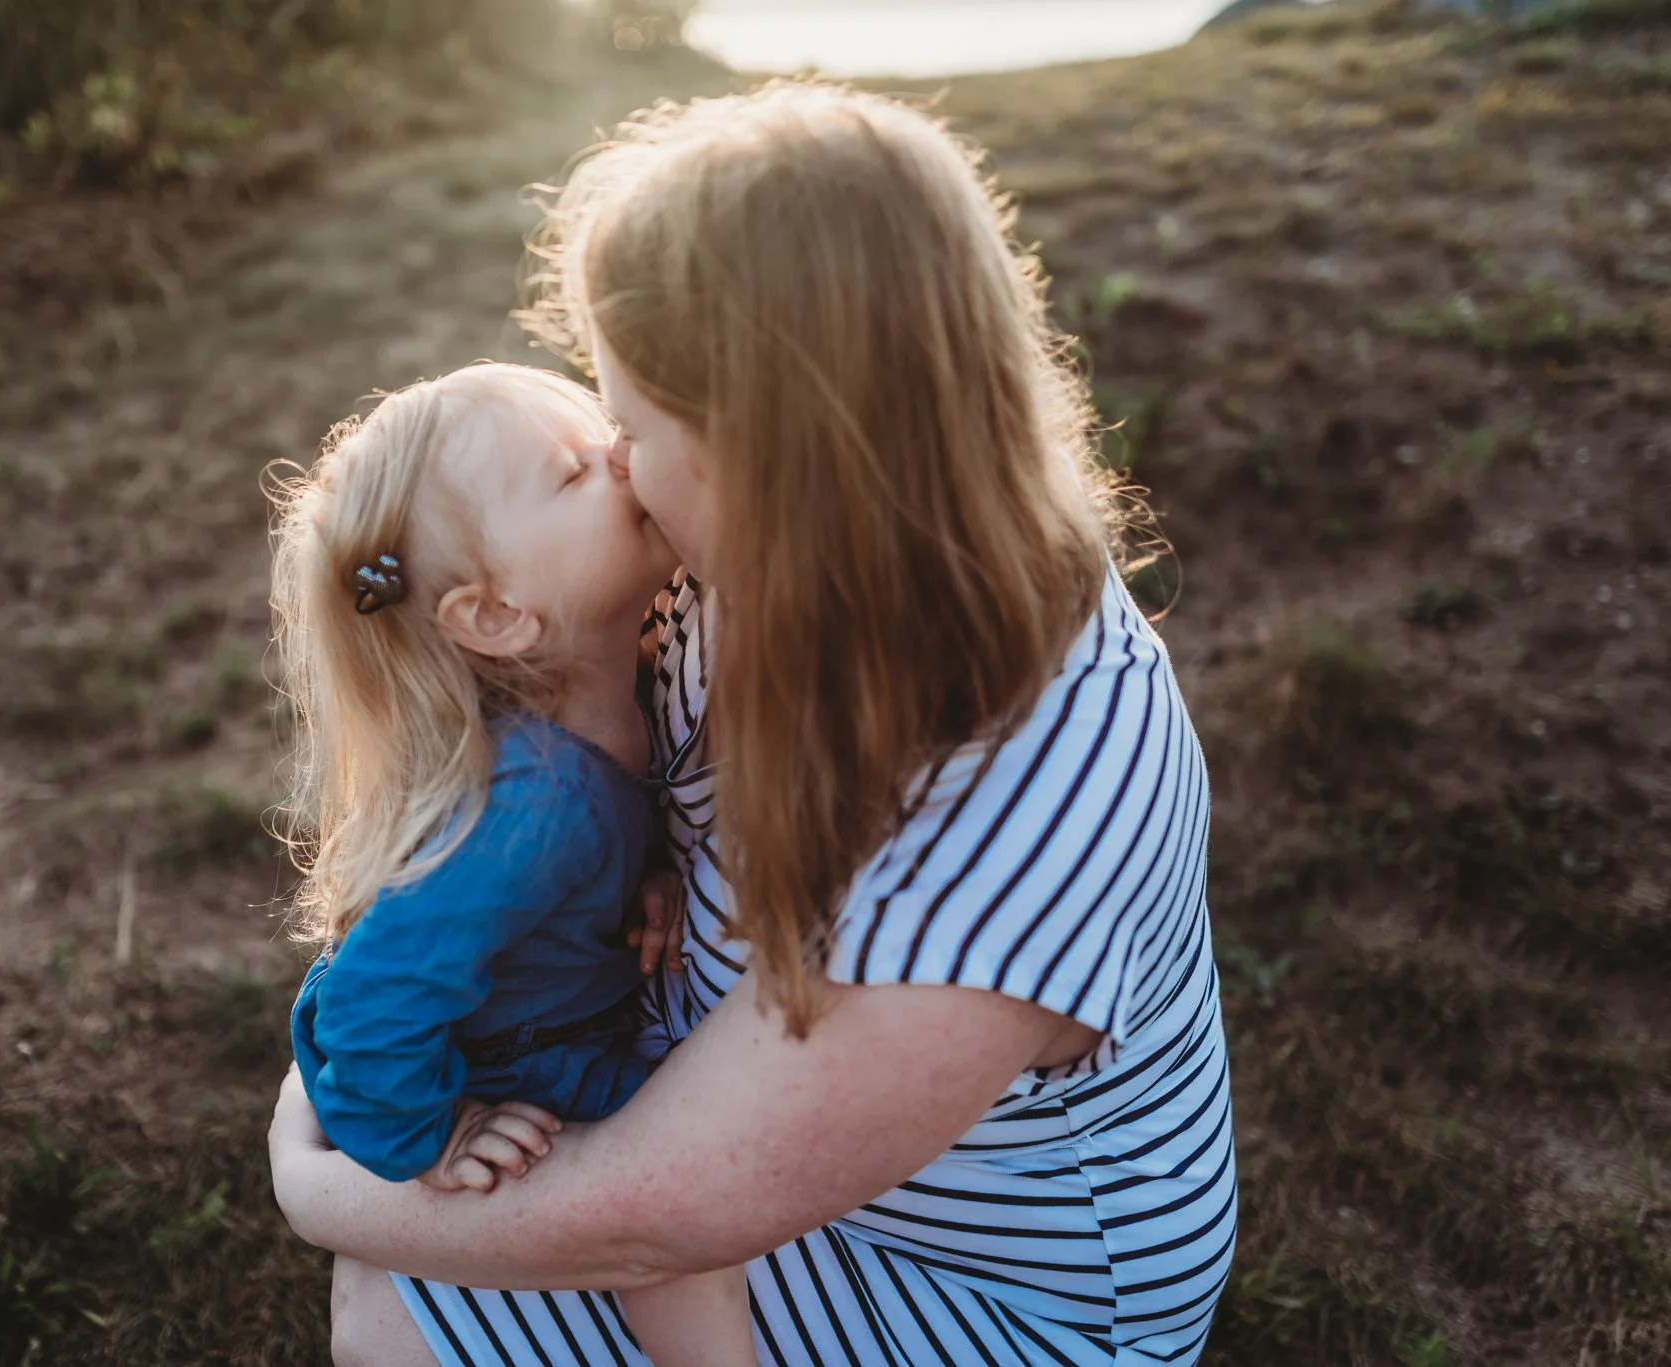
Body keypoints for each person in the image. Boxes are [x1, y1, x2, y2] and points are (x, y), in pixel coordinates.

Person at [269, 81, 1237, 1366]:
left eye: (627, 427)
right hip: (715, 1105)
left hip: (994, 1289)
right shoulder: (711, 572)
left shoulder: (1024, 763)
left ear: (764, 448)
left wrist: (315, 1179)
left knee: (401, 1299)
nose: (616, 462)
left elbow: (666, 1213)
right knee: (416, 1280)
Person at [268, 362, 755, 1367]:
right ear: (495, 616)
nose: (620, 457)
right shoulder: (536, 803)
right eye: (574, 473)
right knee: (686, 1230)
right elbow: (366, 1001)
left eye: (603, 434)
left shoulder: (623, 679)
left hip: (549, 1009)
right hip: (522, 1062)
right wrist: (432, 1134)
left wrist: (646, 875)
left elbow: (588, 854)